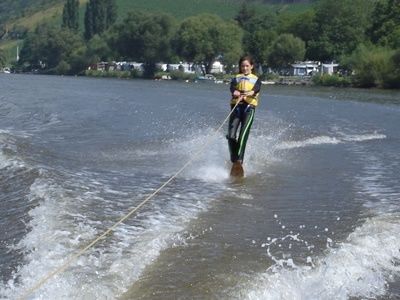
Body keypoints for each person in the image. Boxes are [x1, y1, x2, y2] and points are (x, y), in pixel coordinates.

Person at [227, 55, 261, 165]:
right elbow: (232, 87)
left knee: (243, 135)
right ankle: (234, 156)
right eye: (242, 66)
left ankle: (239, 160)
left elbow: (257, 88)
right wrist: (234, 92)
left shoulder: (256, 79)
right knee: (231, 136)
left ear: (251, 66)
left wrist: (252, 92)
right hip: (236, 108)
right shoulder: (236, 78)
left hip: (248, 109)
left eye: (247, 66)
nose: (245, 68)